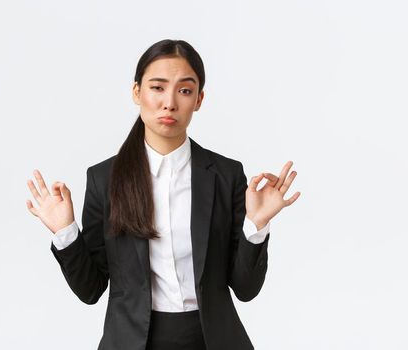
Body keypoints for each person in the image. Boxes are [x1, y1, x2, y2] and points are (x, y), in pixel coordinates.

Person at [25, 39, 300, 350]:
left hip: (212, 340)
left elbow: (246, 289)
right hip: (132, 341)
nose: (169, 102)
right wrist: (65, 232)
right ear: (136, 92)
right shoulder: (105, 179)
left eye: (184, 90)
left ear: (199, 99)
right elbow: (90, 290)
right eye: (157, 87)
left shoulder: (225, 175)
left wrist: (256, 225)